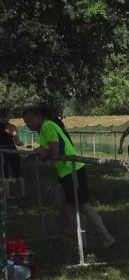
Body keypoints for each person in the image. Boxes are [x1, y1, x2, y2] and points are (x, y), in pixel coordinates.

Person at [22, 106, 115, 249]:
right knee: (61, 204)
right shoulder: (43, 129)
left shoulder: (47, 126)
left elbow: (54, 150)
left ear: (39, 117)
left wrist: (41, 154)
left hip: (72, 169)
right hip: (64, 171)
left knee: (82, 205)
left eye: (30, 120)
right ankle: (75, 235)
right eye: (25, 122)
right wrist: (32, 154)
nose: (28, 124)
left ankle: (106, 237)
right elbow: (44, 148)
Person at [0, 108, 25, 199]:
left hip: (2, 151)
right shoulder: (11, 127)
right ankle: (23, 194)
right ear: (6, 116)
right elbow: (17, 142)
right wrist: (21, 143)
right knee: (18, 173)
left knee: (4, 174)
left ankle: (7, 196)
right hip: (12, 150)